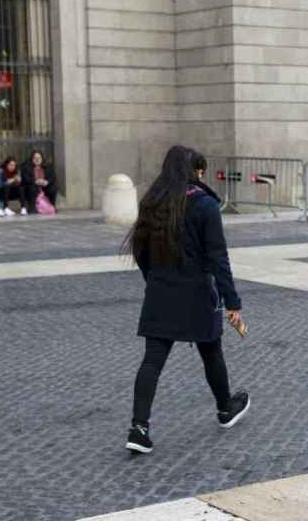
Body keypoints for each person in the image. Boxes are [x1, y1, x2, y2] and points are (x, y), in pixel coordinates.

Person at [123, 145, 249, 454]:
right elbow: (218, 258)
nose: (202, 175)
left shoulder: (152, 202)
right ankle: (224, 409)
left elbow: (140, 250)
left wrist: (153, 280)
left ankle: (139, 429)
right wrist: (232, 301)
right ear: (191, 172)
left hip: (161, 292)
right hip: (196, 293)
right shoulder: (204, 205)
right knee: (211, 353)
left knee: (152, 361)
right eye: (200, 170)